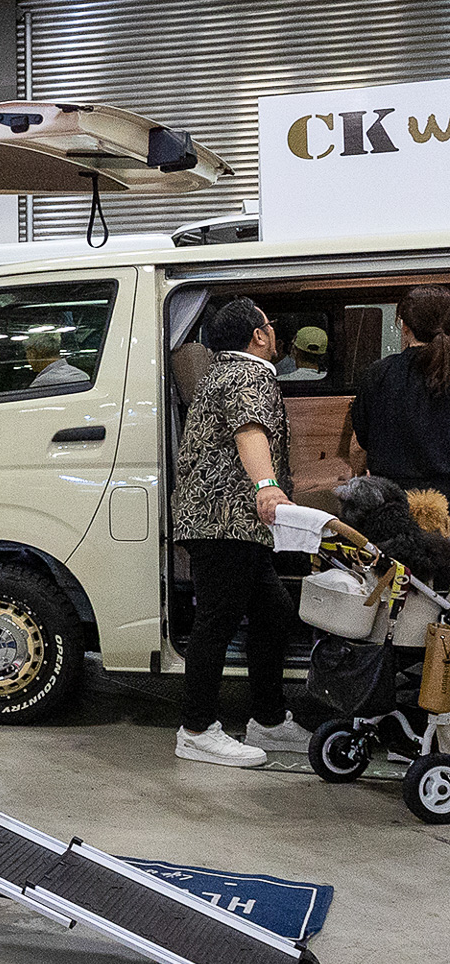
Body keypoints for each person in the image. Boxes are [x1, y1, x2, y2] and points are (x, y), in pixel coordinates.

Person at [169, 297, 306, 767]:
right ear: (259, 336)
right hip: (224, 520)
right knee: (217, 620)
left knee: (273, 611)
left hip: (229, 523)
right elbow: (251, 429)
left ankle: (267, 719)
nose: (273, 333)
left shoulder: (221, 372)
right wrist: (267, 486)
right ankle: (196, 729)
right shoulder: (247, 373)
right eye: (270, 325)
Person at [348, 286, 450, 502]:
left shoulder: (378, 374)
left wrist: (357, 480)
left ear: (404, 326)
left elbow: (359, 447)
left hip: (393, 504)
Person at [23, 331, 88, 388]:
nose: (26, 357)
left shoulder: (40, 384)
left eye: (26, 353)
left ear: (33, 353)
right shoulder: (82, 376)